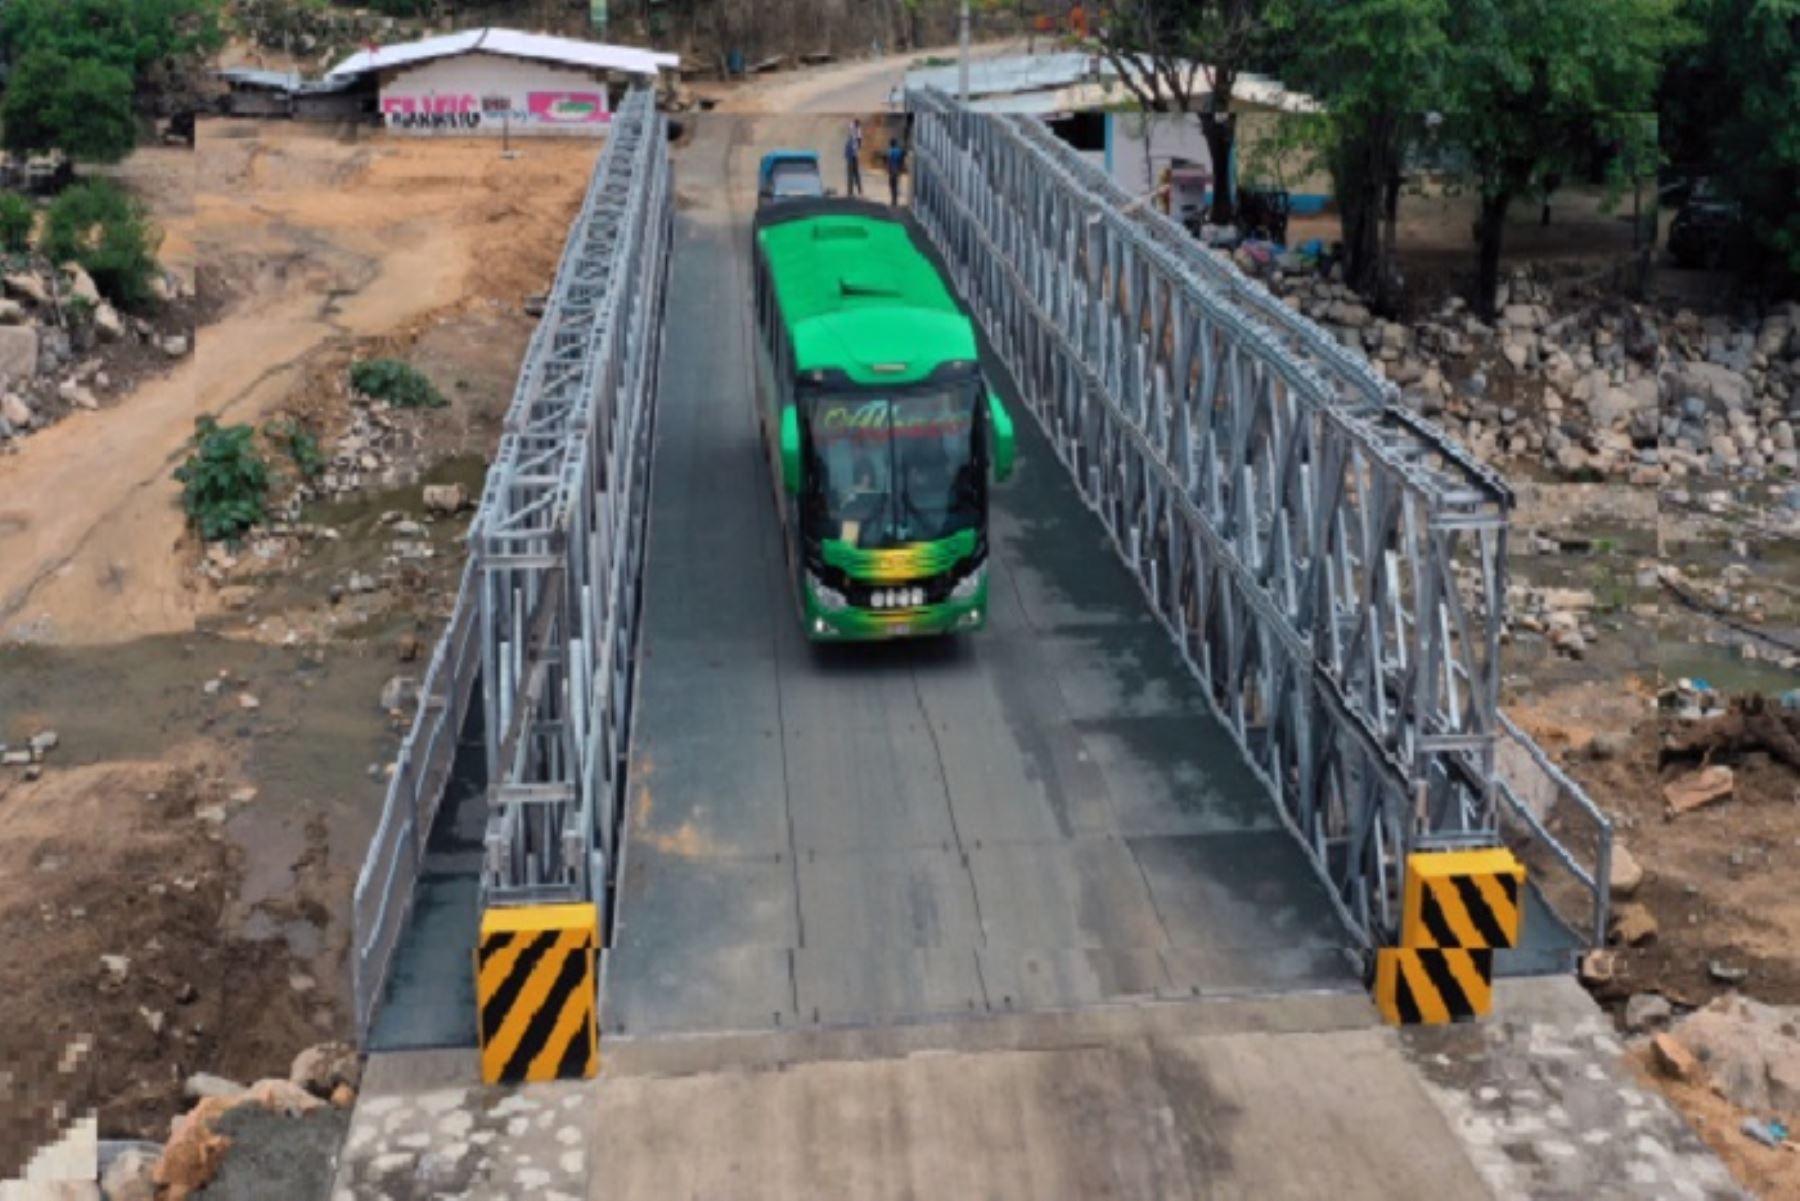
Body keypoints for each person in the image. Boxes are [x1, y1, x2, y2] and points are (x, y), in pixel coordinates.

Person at [884, 137, 905, 206]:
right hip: (898, 170)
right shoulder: (899, 150)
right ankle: (895, 200)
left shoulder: (891, 151)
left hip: (892, 170)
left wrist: (887, 169)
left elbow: (889, 160)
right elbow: (901, 160)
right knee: (896, 184)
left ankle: (893, 200)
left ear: (891, 144)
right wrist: (901, 169)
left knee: (892, 185)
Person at [843, 130, 863, 197]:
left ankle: (850, 191)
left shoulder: (848, 143)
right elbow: (857, 151)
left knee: (850, 176)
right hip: (854, 159)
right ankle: (859, 190)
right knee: (857, 175)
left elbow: (845, 154)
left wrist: (848, 158)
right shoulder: (855, 143)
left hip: (850, 160)